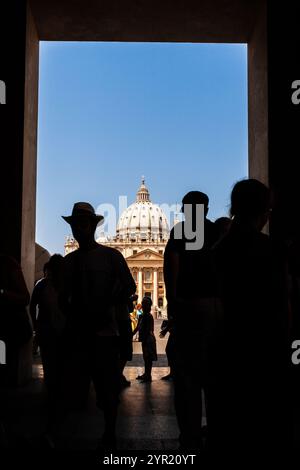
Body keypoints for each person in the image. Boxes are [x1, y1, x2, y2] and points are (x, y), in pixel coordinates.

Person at [213, 179, 289, 454]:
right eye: (268, 208)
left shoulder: (217, 253)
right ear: (263, 211)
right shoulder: (273, 250)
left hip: (227, 354)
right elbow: (283, 309)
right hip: (265, 352)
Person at [53, 202, 136, 450]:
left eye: (84, 224)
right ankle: (62, 435)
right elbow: (61, 297)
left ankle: (110, 434)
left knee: (108, 390)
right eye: (76, 225)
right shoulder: (69, 262)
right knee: (70, 388)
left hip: (105, 333)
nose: (79, 229)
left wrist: (110, 303)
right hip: (77, 334)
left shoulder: (112, 256)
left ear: (92, 226)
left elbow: (130, 287)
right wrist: (72, 318)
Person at [164, 191, 222, 450]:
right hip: (214, 309)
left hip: (188, 309)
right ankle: (217, 430)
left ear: (185, 210)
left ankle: (189, 435)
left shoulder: (179, 233)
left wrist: (174, 306)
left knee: (187, 380)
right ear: (207, 209)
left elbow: (170, 272)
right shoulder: (219, 233)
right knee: (215, 376)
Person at [30, 254, 65, 397]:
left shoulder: (42, 285)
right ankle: (57, 391)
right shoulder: (66, 285)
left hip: (46, 329)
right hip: (58, 330)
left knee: (49, 363)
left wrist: (35, 324)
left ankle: (51, 391)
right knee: (60, 363)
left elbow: (32, 306)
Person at [133, 296, 157, 383]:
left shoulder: (148, 316)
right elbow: (138, 327)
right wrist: (132, 333)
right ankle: (146, 374)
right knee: (145, 357)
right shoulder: (141, 316)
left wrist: (144, 337)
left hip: (149, 339)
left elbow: (149, 329)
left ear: (149, 307)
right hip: (144, 339)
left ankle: (148, 375)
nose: (143, 306)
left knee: (148, 358)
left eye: (145, 304)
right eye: (143, 304)